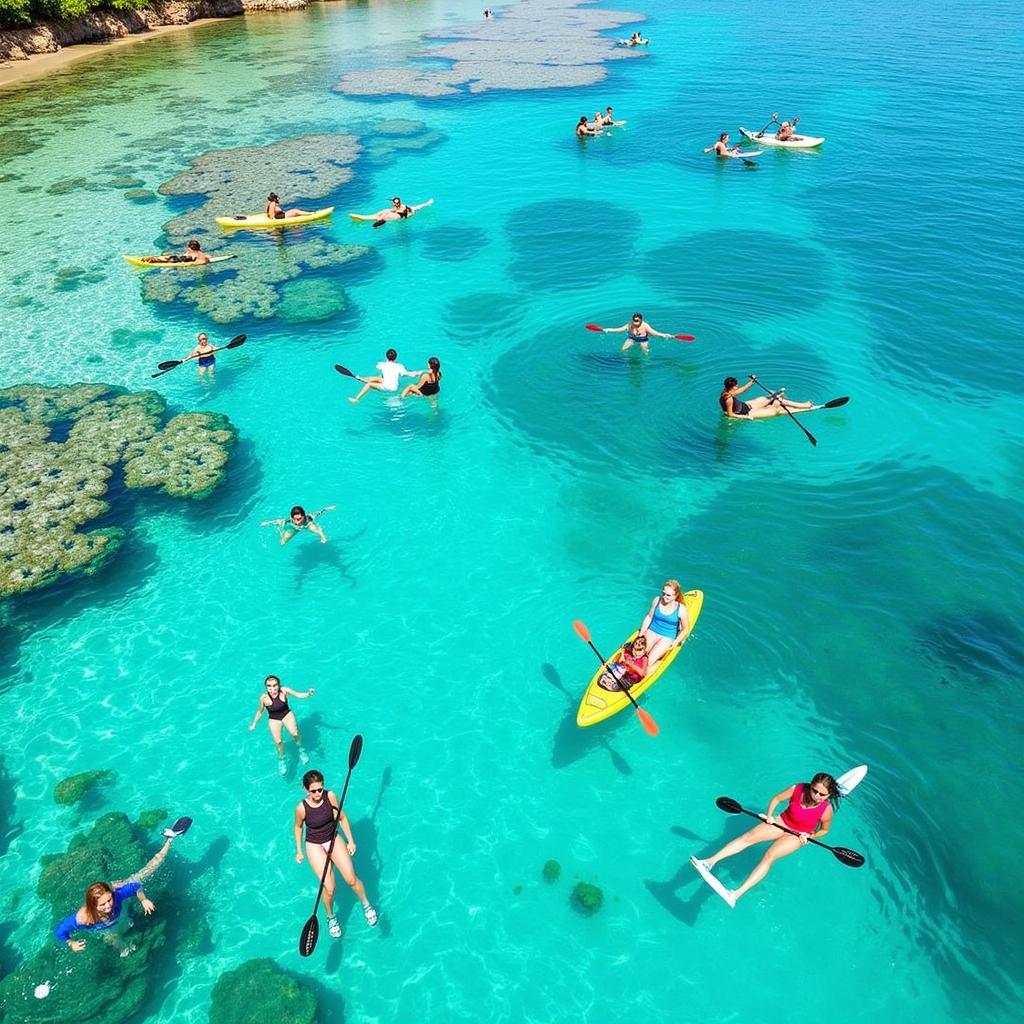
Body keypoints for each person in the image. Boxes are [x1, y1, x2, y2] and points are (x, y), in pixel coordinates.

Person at [691, 773, 843, 907]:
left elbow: (824, 830)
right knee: (747, 837)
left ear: (828, 796)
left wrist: (811, 836)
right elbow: (776, 799)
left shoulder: (826, 810)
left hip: (798, 835)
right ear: (810, 786)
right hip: (782, 821)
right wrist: (769, 816)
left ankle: (735, 895)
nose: (816, 796)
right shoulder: (798, 789)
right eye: (814, 790)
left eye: (821, 794)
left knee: (770, 855)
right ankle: (709, 862)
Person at [53, 820, 190, 954]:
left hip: (117, 891)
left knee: (149, 870)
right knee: (115, 941)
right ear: (92, 905)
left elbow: (136, 886)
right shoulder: (83, 918)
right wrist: (71, 943)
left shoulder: (117, 895)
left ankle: (170, 839)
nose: (108, 906)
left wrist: (143, 900)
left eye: (109, 900)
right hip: (107, 925)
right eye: (103, 904)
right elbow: (59, 932)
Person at [294, 769, 378, 938]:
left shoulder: (330, 796)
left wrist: (350, 840)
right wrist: (299, 850)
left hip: (333, 837)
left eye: (320, 789)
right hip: (314, 844)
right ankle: (331, 917)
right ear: (305, 790)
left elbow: (342, 818)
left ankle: (367, 905)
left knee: (351, 879)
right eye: (313, 791)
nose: (318, 793)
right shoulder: (301, 808)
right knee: (330, 888)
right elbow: (298, 827)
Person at [249, 674, 314, 776]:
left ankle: (301, 749)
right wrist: (254, 724)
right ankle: (281, 759)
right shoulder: (264, 698)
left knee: (295, 733)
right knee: (278, 742)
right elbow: (260, 711)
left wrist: (308, 693)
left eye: (275, 685)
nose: (272, 689)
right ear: (266, 687)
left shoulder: (284, 691)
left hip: (286, 714)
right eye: (269, 686)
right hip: (274, 718)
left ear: (279, 685)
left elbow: (298, 695)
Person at [638, 580, 690, 668]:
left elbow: (686, 628)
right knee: (639, 654)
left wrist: (675, 642)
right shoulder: (657, 600)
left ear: (675, 596)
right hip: (652, 630)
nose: (665, 597)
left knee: (649, 661)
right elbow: (649, 617)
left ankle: (658, 663)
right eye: (664, 593)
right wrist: (641, 634)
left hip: (667, 636)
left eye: (668, 595)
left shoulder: (681, 609)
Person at [720, 376, 817, 418]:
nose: (737, 387)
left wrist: (751, 382)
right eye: (736, 386)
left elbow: (741, 390)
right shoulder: (728, 399)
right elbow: (730, 414)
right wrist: (745, 418)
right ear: (731, 387)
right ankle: (805, 408)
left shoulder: (726, 392)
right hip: (748, 413)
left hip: (747, 405)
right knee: (777, 410)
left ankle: (803, 405)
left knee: (773, 397)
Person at [348, 348, 423, 404]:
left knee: (369, 384)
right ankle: (361, 378)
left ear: (386, 357)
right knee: (378, 379)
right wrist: (417, 373)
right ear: (396, 358)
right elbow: (409, 374)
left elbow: (378, 366)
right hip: (395, 388)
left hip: (386, 388)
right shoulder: (400, 366)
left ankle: (356, 399)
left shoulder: (382, 365)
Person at [601, 312, 675, 353]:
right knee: (623, 350)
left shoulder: (645, 326)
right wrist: (608, 329)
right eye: (634, 320)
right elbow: (619, 330)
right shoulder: (629, 325)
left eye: (637, 320)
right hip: (631, 339)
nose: (635, 322)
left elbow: (654, 333)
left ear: (641, 320)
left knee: (645, 353)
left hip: (643, 340)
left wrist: (664, 335)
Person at [260, 504, 334, 545]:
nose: (297, 522)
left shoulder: (309, 519)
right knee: (282, 543)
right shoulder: (290, 521)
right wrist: (267, 523)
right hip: (294, 528)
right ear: (292, 517)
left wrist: (323, 537)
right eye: (294, 519)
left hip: (306, 525)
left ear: (304, 515)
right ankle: (282, 532)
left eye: (299, 519)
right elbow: (278, 521)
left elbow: (319, 513)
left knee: (315, 529)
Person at [354, 196, 434, 229]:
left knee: (418, 207)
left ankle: (428, 203)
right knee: (385, 211)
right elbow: (395, 210)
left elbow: (403, 212)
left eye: (392, 201)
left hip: (407, 214)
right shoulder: (398, 206)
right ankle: (428, 203)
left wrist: (376, 225)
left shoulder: (400, 208)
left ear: (395, 203)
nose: (391, 202)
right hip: (406, 212)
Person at [142, 239, 210, 265]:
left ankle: (152, 258)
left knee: (165, 259)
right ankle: (151, 259)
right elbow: (202, 261)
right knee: (163, 261)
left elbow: (187, 255)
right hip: (179, 260)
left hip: (179, 257)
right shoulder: (201, 255)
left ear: (189, 247)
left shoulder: (191, 252)